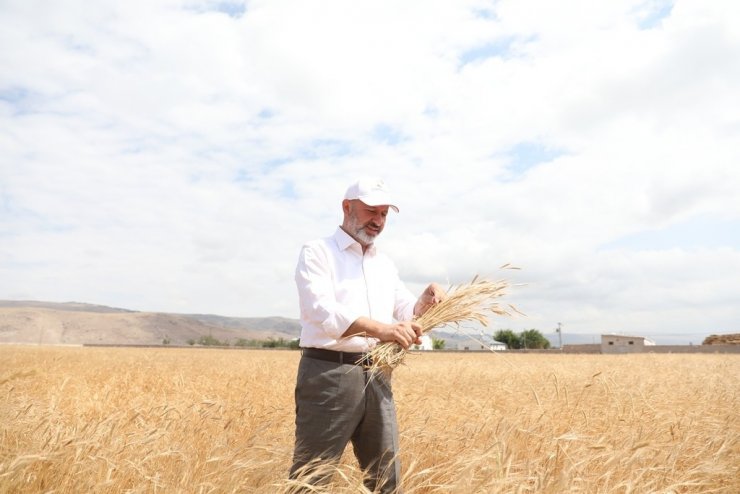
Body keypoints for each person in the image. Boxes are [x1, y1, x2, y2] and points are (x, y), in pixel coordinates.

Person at [289, 177, 446, 493]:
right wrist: (383, 330)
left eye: (384, 214)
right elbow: (323, 312)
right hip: (330, 372)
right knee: (311, 478)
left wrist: (425, 301)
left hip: (378, 373)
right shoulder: (318, 252)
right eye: (371, 211)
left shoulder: (384, 264)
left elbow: (407, 312)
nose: (378, 221)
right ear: (347, 207)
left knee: (387, 476)